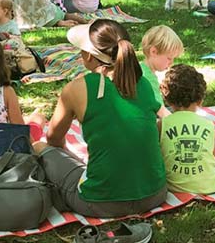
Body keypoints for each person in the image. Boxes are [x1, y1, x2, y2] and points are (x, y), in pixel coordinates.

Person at [37, 19, 167, 217]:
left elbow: (54, 140)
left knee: (39, 148)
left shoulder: (76, 88)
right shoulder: (144, 84)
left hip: (99, 202)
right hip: (154, 195)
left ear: (88, 56)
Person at [159, 65, 215, 194]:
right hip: (210, 185)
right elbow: (212, 160)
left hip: (173, 185)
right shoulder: (208, 125)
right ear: (200, 100)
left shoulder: (162, 124)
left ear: (167, 99)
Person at [140, 25, 184, 118]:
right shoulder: (147, 78)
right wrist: (177, 123)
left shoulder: (141, 68)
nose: (171, 62)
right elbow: (160, 110)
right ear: (154, 52)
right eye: (169, 58)